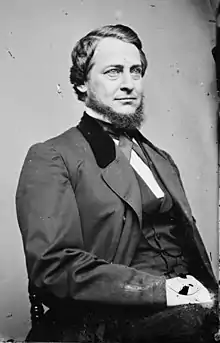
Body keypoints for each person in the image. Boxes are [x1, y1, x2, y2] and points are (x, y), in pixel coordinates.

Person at [16, 24, 218, 342]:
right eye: (113, 72)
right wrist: (163, 290)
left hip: (188, 305)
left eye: (135, 72)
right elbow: (52, 267)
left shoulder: (161, 158)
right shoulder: (53, 155)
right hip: (111, 320)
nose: (129, 84)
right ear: (82, 84)